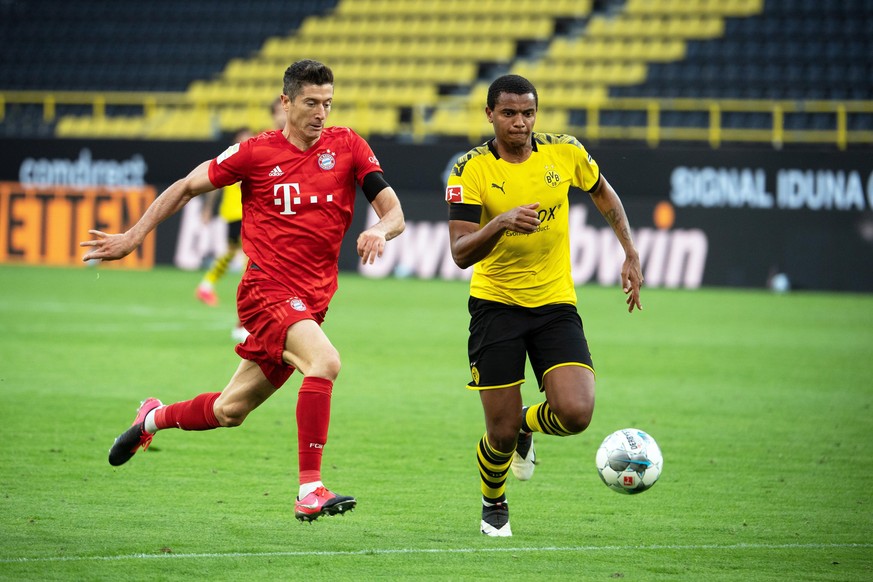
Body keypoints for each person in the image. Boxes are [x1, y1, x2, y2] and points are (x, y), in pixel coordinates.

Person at [82, 59, 405, 522]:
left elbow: (393, 210)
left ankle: (150, 417)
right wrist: (134, 236)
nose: (320, 113)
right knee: (325, 362)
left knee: (229, 410)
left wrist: (381, 230)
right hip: (266, 290)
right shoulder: (254, 153)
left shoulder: (348, 145)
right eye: (311, 103)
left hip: (312, 300)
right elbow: (187, 186)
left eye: (327, 104)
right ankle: (310, 489)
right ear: (286, 102)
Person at [445, 74, 643, 537]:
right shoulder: (469, 169)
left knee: (576, 414)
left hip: (555, 302)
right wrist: (501, 224)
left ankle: (527, 427)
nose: (520, 123)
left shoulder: (565, 151)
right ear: (490, 114)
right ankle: (494, 500)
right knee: (498, 433)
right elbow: (459, 253)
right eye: (509, 113)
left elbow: (603, 193)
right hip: (496, 305)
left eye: (528, 113)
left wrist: (630, 251)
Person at [195, 127, 254, 343]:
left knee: (233, 255)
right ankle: (243, 322)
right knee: (252, 263)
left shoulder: (251, 156)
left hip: (243, 214)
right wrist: (208, 208)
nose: (246, 140)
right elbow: (215, 184)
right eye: (243, 137)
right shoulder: (233, 158)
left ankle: (206, 284)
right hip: (236, 214)